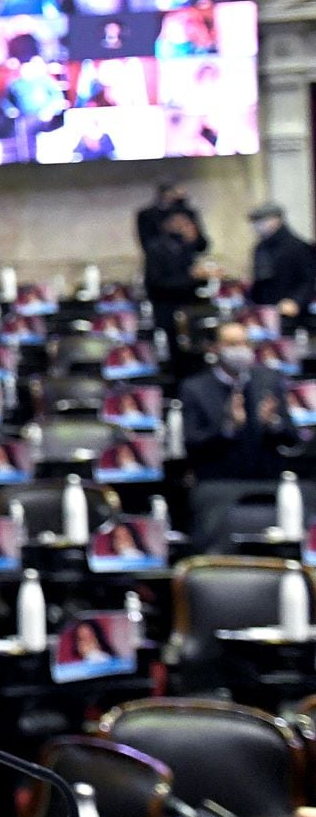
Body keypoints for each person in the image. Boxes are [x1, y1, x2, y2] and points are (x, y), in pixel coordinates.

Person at [181, 320, 302, 549]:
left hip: (267, 481)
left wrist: (272, 423)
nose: (241, 349)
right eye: (232, 343)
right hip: (218, 484)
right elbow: (192, 443)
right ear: (215, 348)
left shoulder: (270, 381)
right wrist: (228, 427)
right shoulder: (195, 388)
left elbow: (292, 437)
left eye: (245, 343)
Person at [145, 209, 209, 364]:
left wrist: (201, 276)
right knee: (178, 357)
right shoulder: (157, 248)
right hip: (169, 311)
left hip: (190, 310)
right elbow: (157, 283)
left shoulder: (185, 246)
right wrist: (191, 278)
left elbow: (203, 246)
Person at [249, 203, 316, 318]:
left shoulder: (298, 247)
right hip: (266, 310)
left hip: (292, 313)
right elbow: (260, 281)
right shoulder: (261, 248)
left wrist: (295, 301)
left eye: (261, 220)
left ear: (275, 221)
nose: (256, 226)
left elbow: (308, 280)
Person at [137, 181, 204, 257]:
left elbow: (201, 246)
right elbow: (148, 245)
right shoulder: (148, 215)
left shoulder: (188, 213)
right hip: (160, 261)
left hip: (185, 261)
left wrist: (190, 237)